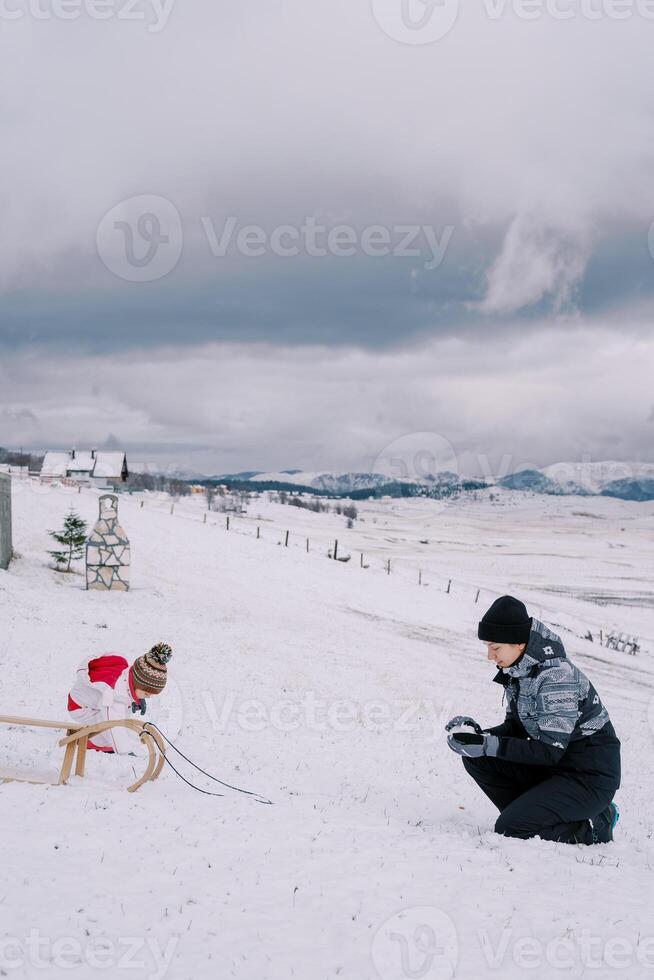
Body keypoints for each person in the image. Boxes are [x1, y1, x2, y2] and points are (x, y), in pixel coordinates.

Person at [446, 596, 621, 845]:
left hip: (587, 776)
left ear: (518, 643)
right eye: (488, 647)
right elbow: (516, 727)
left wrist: (488, 743)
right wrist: (477, 736)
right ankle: (533, 812)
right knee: (479, 759)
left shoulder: (556, 676)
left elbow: (549, 750)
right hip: (556, 768)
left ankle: (595, 823)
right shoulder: (520, 670)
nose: (489, 656)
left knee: (512, 828)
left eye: (495, 648)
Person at [67, 642, 172, 754]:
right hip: (80, 707)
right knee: (107, 729)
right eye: (146, 694)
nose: (148, 697)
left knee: (122, 712)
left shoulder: (127, 677)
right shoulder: (114, 695)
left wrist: (138, 699)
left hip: (96, 700)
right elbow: (113, 725)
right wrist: (125, 751)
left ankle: (101, 738)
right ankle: (91, 742)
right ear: (138, 684)